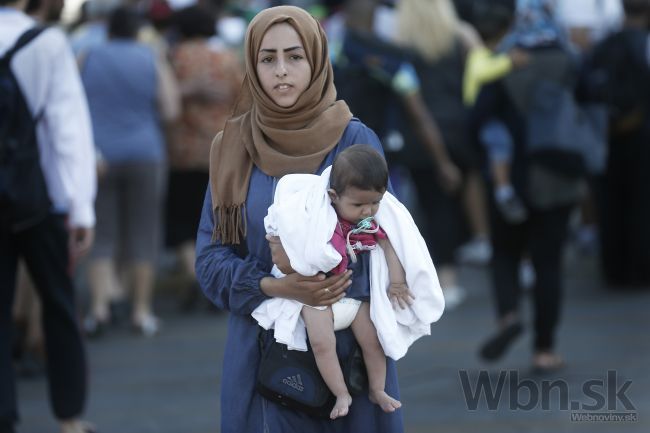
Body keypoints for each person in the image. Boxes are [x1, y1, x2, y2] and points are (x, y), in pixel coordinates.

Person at [195, 6, 406, 432]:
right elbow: (211, 259)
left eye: (294, 56)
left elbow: (381, 236)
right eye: (267, 59)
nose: (281, 71)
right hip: (262, 357)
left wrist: (322, 290)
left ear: (316, 59)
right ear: (252, 66)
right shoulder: (232, 148)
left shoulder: (353, 138)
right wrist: (277, 286)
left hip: (349, 354)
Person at [255, 144, 443, 419]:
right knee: (322, 344)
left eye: (375, 202)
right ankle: (341, 393)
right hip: (319, 298)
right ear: (333, 196)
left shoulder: (369, 224)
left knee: (374, 340)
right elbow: (289, 232)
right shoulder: (317, 220)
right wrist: (282, 243)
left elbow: (391, 245)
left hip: (356, 297)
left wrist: (398, 282)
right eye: (358, 204)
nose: (368, 210)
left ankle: (377, 389)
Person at [0, 0, 97, 431]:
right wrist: (81, 207)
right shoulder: (47, 42)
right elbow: (68, 127)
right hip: (41, 199)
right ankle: (69, 417)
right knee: (59, 306)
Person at [471, 0, 576, 372]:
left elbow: (478, 117)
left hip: (509, 181)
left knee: (504, 254)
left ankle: (508, 315)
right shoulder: (568, 59)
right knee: (549, 265)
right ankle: (544, 350)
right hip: (558, 177)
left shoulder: (504, 62)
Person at [81, 6, 180, 337]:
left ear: (108, 30)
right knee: (143, 232)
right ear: (137, 30)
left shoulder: (88, 56)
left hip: (98, 156)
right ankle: (141, 311)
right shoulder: (151, 57)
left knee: (102, 231)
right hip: (144, 152)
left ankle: (99, 308)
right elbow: (170, 108)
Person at [165, 4, 243, 310]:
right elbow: (243, 99)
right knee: (218, 215)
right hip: (222, 149)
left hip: (182, 151)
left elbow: (164, 99)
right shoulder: (227, 58)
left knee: (182, 219)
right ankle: (215, 275)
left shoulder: (174, 58)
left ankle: (193, 273)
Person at [463, 0, 529, 223]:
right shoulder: (480, 55)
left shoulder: (495, 54)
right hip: (482, 121)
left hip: (489, 118)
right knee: (499, 142)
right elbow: (482, 72)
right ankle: (504, 192)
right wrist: (509, 62)